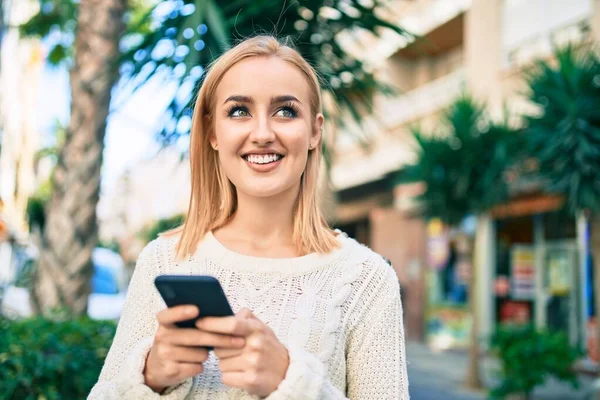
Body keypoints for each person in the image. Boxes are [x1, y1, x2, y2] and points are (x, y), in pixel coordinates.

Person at [88, 35, 409, 399]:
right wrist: (150, 376)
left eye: (285, 111)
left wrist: (292, 383)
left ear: (315, 131)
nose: (262, 134)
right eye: (239, 111)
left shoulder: (366, 279)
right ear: (212, 132)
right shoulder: (163, 259)